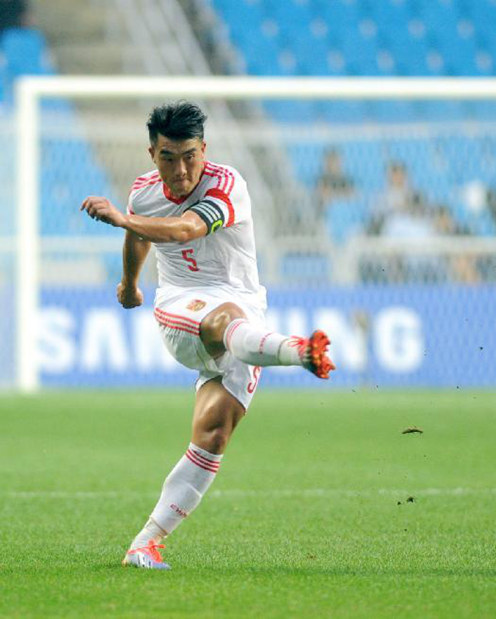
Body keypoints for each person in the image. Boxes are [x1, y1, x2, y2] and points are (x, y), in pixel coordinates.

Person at [80, 101, 335, 570]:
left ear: (205, 149)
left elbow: (183, 229)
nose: (180, 170)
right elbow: (140, 237)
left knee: (214, 434)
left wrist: (121, 219)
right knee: (224, 317)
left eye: (189, 156)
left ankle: (145, 542)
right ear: (152, 152)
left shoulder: (227, 185)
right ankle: (298, 351)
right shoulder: (144, 194)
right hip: (182, 305)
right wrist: (131, 282)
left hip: (245, 316)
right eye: (168, 158)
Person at [315, 146, 355, 212]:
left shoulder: (346, 180)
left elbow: (353, 196)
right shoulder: (321, 180)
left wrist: (334, 195)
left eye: (335, 161)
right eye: (330, 161)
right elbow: (321, 195)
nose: (332, 164)